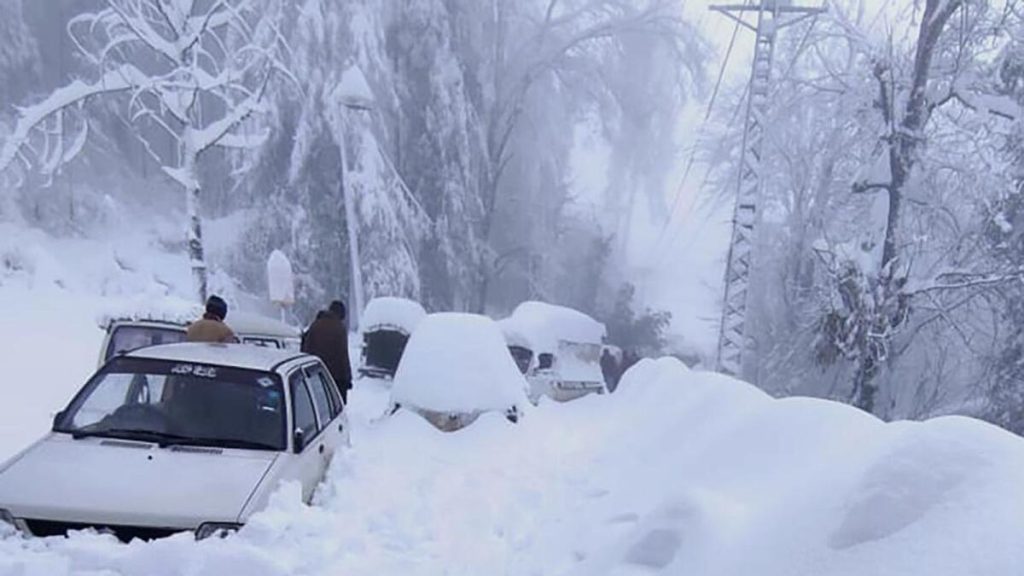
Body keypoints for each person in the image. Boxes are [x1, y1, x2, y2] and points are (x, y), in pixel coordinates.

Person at [301, 300, 353, 402]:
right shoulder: (340, 328)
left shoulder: (315, 325)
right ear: (341, 313)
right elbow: (343, 356)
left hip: (313, 374)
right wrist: (347, 379)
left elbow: (306, 347)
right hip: (335, 378)